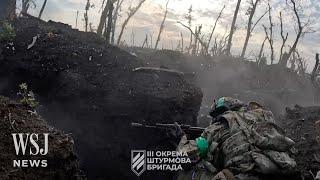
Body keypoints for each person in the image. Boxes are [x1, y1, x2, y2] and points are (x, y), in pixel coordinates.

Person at [176, 97, 297, 180]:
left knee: (189, 171)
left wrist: (180, 137)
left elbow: (185, 155)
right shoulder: (265, 118)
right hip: (281, 173)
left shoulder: (217, 127)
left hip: (243, 177)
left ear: (220, 111)